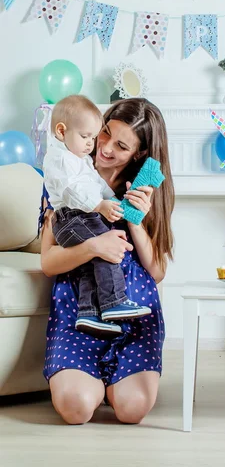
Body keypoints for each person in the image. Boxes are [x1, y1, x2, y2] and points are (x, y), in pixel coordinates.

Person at [40, 98, 174, 425]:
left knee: (132, 409)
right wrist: (94, 247)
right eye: (104, 134)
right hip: (78, 311)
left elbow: (156, 272)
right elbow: (48, 262)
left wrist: (136, 220)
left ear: (139, 154)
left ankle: (114, 385)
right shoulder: (66, 180)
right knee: (75, 408)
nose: (105, 147)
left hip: (134, 310)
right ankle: (91, 384)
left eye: (121, 145)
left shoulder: (145, 191)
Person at [43, 95, 151, 339]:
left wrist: (117, 202)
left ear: (137, 153)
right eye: (90, 136)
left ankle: (89, 312)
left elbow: (96, 184)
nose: (97, 146)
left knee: (91, 266)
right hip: (71, 218)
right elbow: (72, 190)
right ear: (61, 131)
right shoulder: (60, 159)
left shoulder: (80, 161)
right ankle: (114, 302)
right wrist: (100, 205)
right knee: (106, 245)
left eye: (122, 146)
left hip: (79, 218)